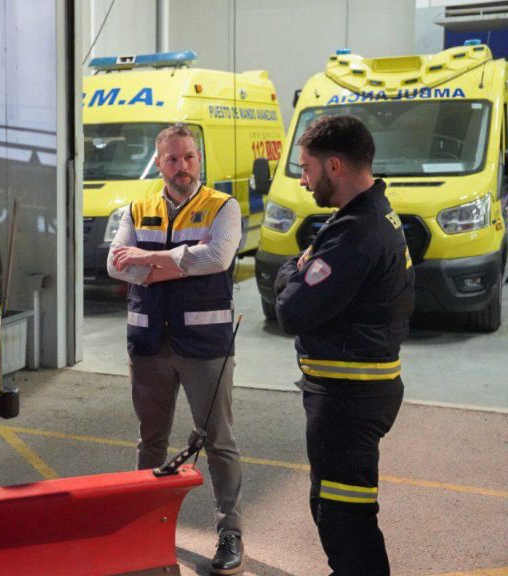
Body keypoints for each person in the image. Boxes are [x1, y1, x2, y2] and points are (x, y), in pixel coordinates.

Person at [274, 115, 413, 576]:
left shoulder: (355, 231)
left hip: (349, 399)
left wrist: (290, 271)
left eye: (306, 167)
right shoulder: (370, 216)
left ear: (334, 165)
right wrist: (302, 268)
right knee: (334, 507)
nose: (303, 178)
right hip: (355, 391)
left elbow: (292, 309)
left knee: (345, 518)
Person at [108, 124, 245, 575]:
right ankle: (143, 526)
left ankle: (229, 533)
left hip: (205, 346)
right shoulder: (136, 207)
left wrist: (148, 260)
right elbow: (114, 263)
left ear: (198, 160)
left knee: (218, 441)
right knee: (151, 440)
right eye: (172, 159)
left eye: (188, 158)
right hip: (149, 344)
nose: (181, 167)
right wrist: (182, 261)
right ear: (159, 162)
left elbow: (218, 258)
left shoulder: (223, 207)